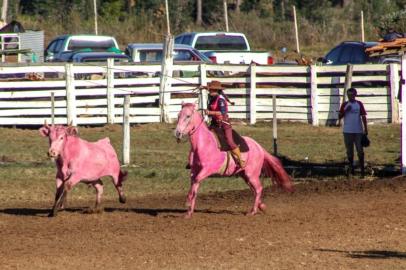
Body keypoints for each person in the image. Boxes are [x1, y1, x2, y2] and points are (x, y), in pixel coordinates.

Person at [203, 80, 245, 168]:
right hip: (214, 124)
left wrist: (210, 112)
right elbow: (207, 89)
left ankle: (240, 160)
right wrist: (202, 87)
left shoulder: (221, 100)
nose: (210, 91)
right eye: (210, 90)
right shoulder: (212, 96)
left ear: (217, 91)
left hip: (224, 124)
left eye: (212, 90)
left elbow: (222, 112)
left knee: (230, 142)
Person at [339, 87, 368, 177]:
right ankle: (351, 169)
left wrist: (365, 129)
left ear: (355, 95)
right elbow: (339, 117)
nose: (350, 97)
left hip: (358, 130)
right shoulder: (345, 104)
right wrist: (345, 111)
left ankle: (362, 170)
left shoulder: (359, 104)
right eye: (348, 95)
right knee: (349, 151)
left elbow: (363, 116)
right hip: (347, 131)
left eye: (352, 95)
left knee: (360, 150)